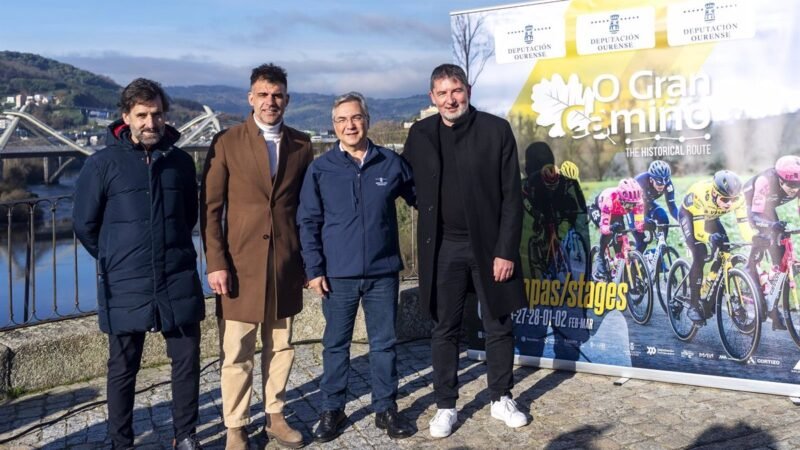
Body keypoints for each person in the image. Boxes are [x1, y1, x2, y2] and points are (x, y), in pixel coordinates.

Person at [73, 78, 204, 450]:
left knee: (186, 360)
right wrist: (115, 259)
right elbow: (84, 224)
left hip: (176, 275)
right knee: (123, 367)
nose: (151, 122)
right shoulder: (102, 164)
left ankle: (186, 435)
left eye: (157, 114)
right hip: (125, 280)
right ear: (126, 116)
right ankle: (121, 441)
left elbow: (188, 216)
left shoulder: (179, 162)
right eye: (142, 115)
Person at [402, 63, 529, 439]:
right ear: (432, 98)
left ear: (468, 90)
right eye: (441, 93)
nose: (450, 99)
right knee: (444, 327)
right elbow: (407, 182)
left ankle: (501, 397)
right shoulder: (421, 134)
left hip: (490, 247)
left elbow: (512, 197)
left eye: (455, 90)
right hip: (442, 246)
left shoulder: (495, 130)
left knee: (498, 322)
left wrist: (505, 250)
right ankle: (446, 405)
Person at [201, 64, 312, 450]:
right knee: (237, 352)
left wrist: (306, 262)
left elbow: (304, 208)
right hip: (239, 266)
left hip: (285, 262)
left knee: (281, 345)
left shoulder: (302, 144)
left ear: (287, 99)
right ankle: (236, 425)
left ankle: (275, 416)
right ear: (251, 98)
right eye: (263, 94)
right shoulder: (226, 142)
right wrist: (215, 262)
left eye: (277, 95)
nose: (271, 101)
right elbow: (211, 208)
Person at [297, 92, 416, 442]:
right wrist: (314, 269)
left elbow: (421, 197)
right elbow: (308, 222)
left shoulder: (390, 163)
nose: (350, 125)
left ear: (367, 119)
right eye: (342, 120)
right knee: (336, 344)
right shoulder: (320, 169)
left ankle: (385, 408)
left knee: (384, 343)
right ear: (333, 126)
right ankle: (332, 409)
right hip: (337, 276)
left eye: (356, 118)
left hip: (382, 272)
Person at [679, 170, 753, 322]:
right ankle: (693, 304)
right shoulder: (700, 194)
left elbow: (744, 226)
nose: (730, 204)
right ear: (714, 193)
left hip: (711, 217)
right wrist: (709, 237)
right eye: (725, 199)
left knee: (725, 248)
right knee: (700, 253)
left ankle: (710, 286)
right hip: (690, 215)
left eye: (733, 199)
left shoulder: (738, 199)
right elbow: (699, 234)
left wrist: (754, 240)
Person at [743, 155, 800, 329]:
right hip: (752, 207)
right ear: (780, 180)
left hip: (770, 208)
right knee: (765, 238)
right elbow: (756, 216)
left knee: (782, 257)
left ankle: (773, 303)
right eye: (790, 185)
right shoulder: (765, 180)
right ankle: (749, 269)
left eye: (797, 185)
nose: (794, 190)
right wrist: (770, 226)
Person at [589, 178, 645, 280]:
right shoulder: (609, 199)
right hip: (600, 209)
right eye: (628, 204)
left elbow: (639, 224)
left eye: (633, 205)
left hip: (617, 212)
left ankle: (617, 266)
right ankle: (600, 256)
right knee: (609, 233)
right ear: (621, 198)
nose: (631, 208)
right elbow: (604, 228)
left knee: (620, 237)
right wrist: (610, 228)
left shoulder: (638, 202)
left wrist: (645, 226)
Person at [630, 160, 680, 253]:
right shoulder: (640, 182)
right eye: (659, 183)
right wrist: (643, 219)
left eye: (664, 183)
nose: (662, 185)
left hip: (648, 203)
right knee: (642, 242)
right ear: (651, 179)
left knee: (663, 217)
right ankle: (633, 264)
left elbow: (672, 208)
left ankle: (658, 255)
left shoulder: (667, 184)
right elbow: (635, 208)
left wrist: (682, 220)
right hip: (634, 207)